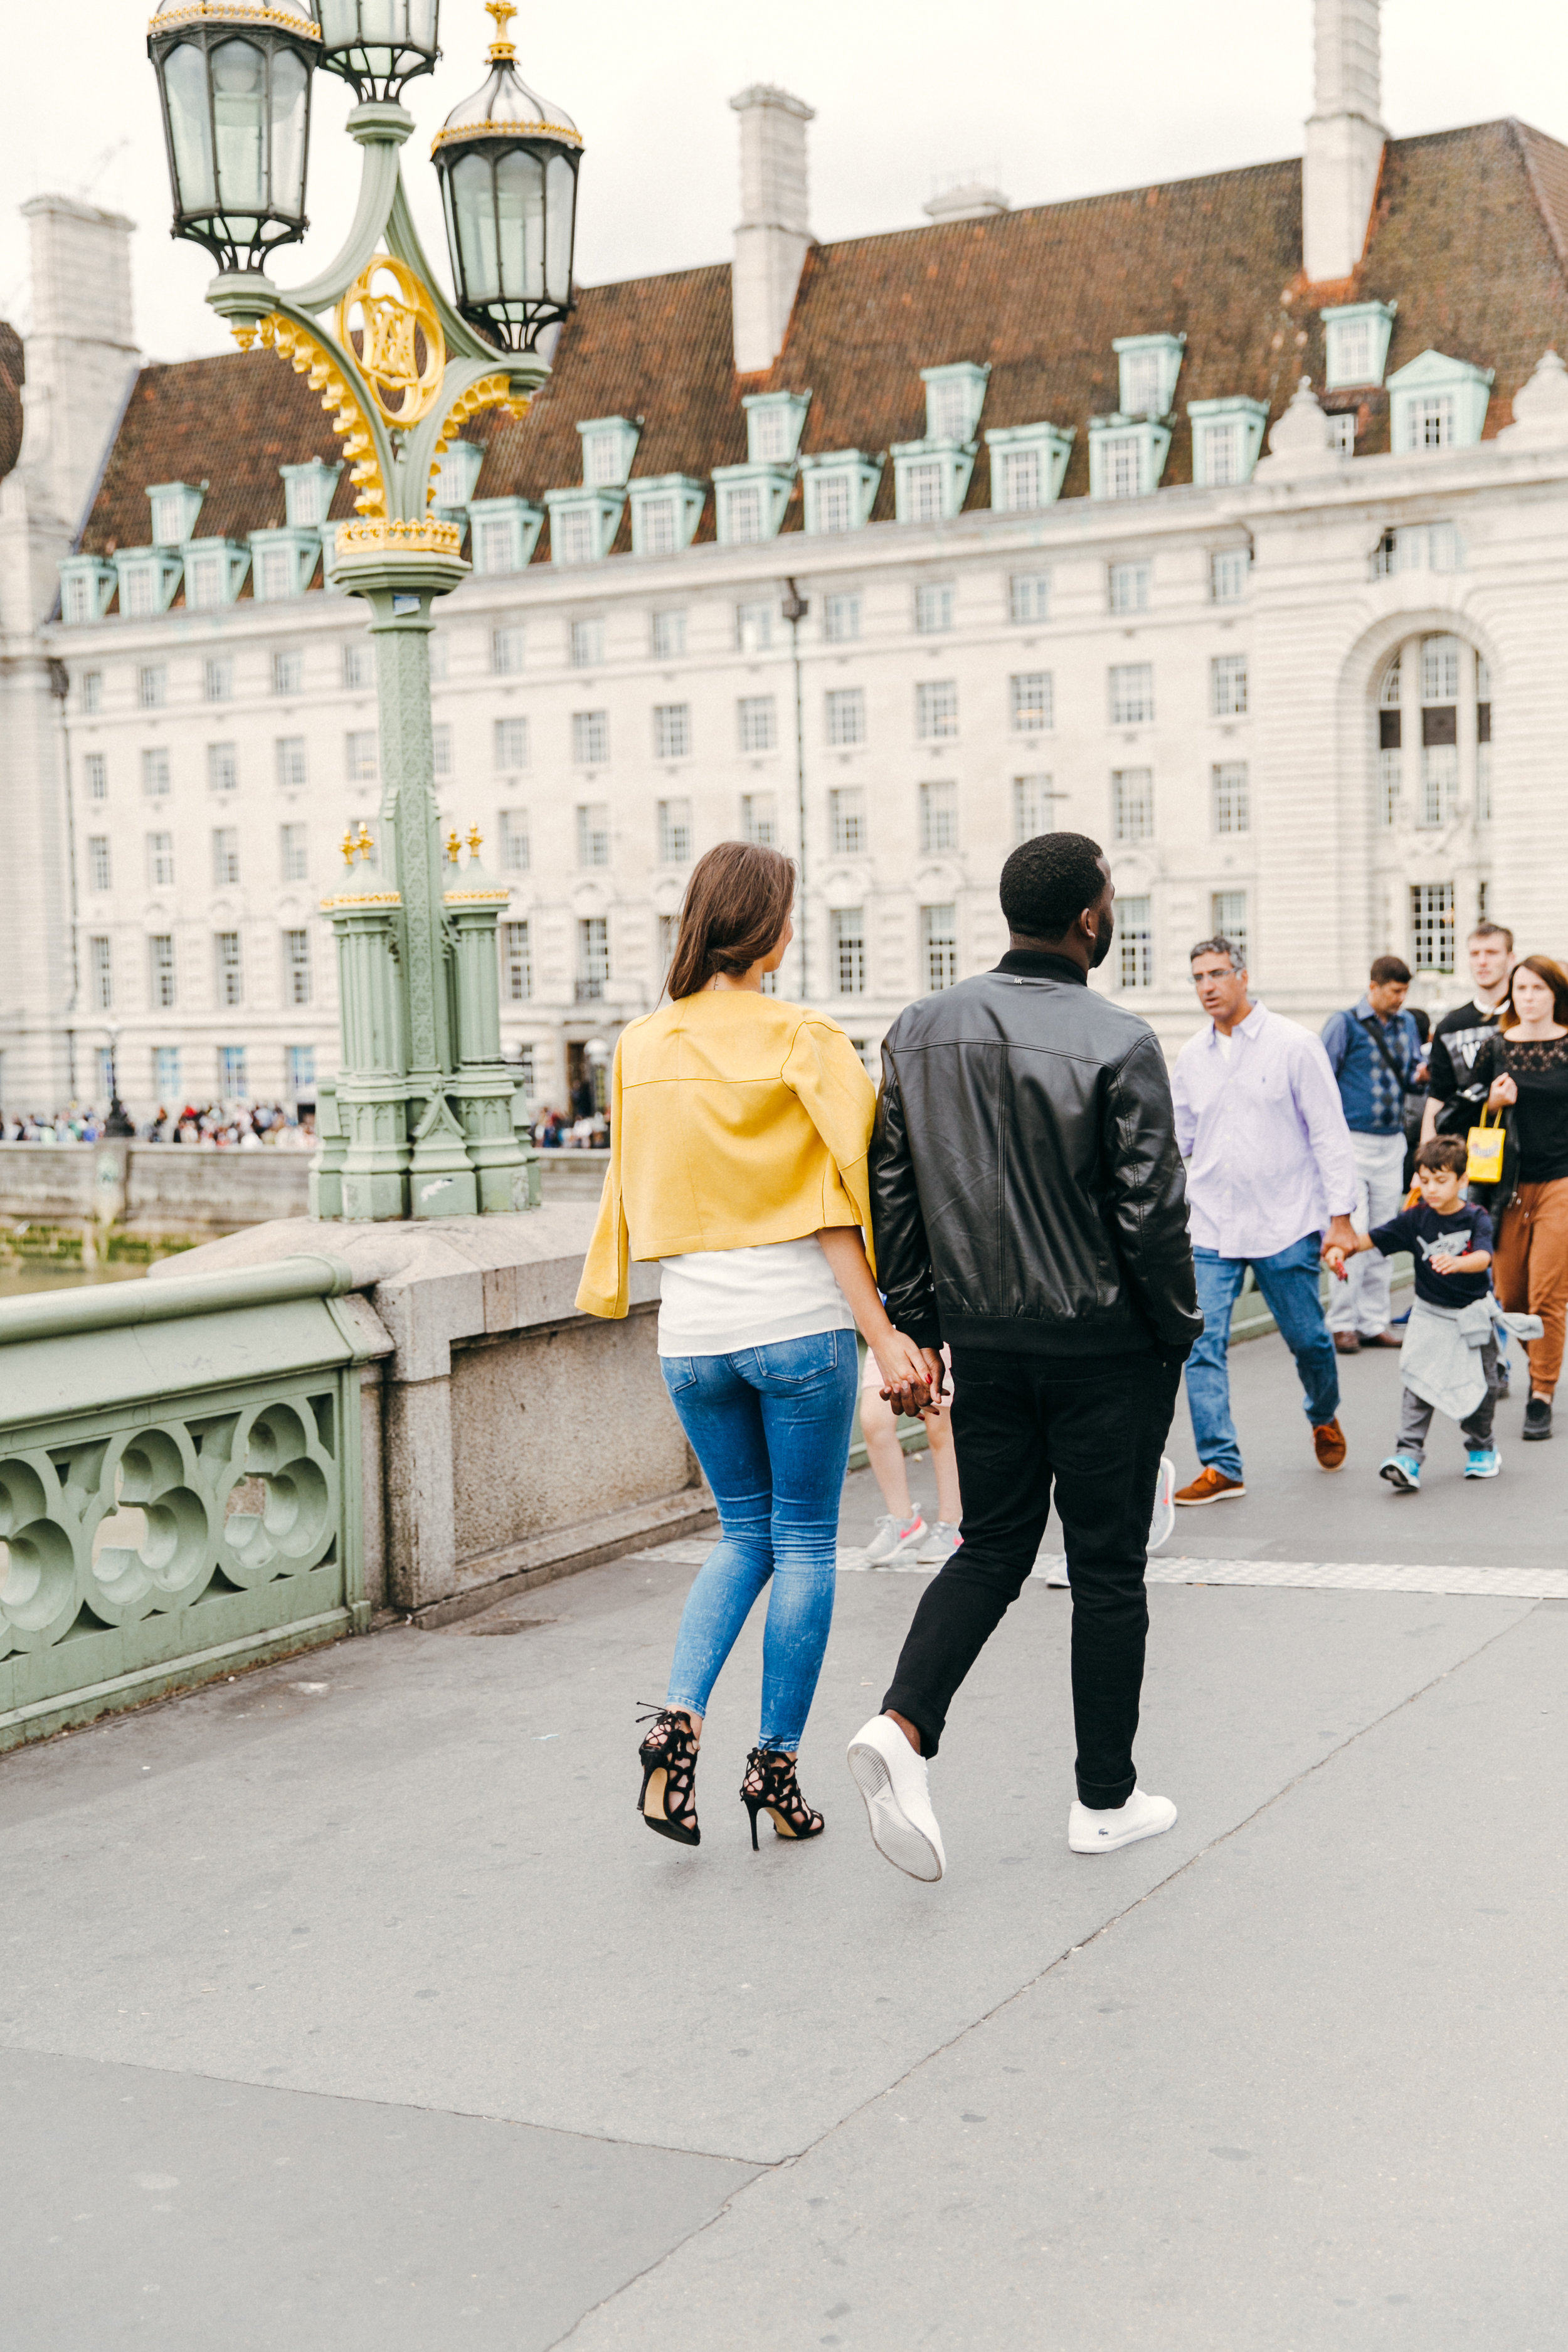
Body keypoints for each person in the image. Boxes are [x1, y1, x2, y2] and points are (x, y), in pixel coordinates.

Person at [845, 832, 1201, 1883]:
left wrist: (922, 1325)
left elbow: (894, 1191)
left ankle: (904, 1727)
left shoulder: (918, 1030)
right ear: (1091, 918)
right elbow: (1150, 1214)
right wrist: (1173, 1333)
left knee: (992, 1547)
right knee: (1106, 1571)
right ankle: (1104, 1799)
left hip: (986, 1340)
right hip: (1103, 1344)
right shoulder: (1122, 1039)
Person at [576, 840, 933, 1853]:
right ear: (770, 930)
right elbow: (858, 1193)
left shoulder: (642, 1046)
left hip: (690, 1332)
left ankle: (677, 1723)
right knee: (806, 1542)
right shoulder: (805, 1036)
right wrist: (897, 1328)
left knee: (741, 1536)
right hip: (797, 1326)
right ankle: (774, 1767)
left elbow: (625, 1190)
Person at [1171, 937, 1359, 1504]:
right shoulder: (1189, 1058)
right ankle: (1221, 1464)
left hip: (1285, 1221)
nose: (1207, 986)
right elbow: (1178, 1142)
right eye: (1198, 976)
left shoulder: (1295, 1046)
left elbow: (1330, 1133)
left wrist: (1341, 1219)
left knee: (1308, 1340)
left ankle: (1323, 1413)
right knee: (1201, 1344)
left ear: (1244, 976)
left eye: (1217, 974)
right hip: (1210, 1227)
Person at [1327, 1136, 1500, 1488]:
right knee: (1418, 1383)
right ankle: (1408, 1456)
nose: (1432, 1189)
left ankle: (1482, 1448)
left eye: (1441, 1180)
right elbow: (1369, 1240)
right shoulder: (1415, 1219)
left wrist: (1459, 1262)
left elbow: (1484, 1257)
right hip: (1430, 1318)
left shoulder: (1476, 1217)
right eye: (1425, 1180)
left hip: (1473, 1318)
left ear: (1462, 1181)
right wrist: (1339, 1252)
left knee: (1483, 1386)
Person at [1470, 954, 1568, 1440]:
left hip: (1561, 1182)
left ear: (1556, 994)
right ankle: (1544, 1361)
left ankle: (1542, 1393)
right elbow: (1460, 1113)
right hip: (1506, 1187)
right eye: (1522, 989)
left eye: (1538, 989)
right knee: (1512, 1296)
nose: (1528, 998)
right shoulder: (1495, 1048)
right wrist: (1492, 1101)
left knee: (1549, 1293)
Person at [1320, 956, 1425, 1353]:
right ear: (1374, 986)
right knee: (1353, 1232)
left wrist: (1423, 1073)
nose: (1401, 999)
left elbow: (1414, 1068)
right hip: (1351, 1141)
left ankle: (1374, 1320)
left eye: (1404, 992)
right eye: (1395, 991)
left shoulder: (1408, 1024)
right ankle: (1343, 1322)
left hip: (1392, 1141)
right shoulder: (1344, 1023)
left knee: (1383, 1235)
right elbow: (1322, 1078)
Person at [855, 1338, 961, 1566]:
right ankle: (902, 1519)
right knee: (874, 1420)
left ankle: (952, 1524)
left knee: (939, 1427)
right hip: (890, 1330)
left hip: (938, 1328)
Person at [1421, 920, 1516, 1143]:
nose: (1482, 962)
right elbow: (1438, 1095)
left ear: (1511, 959)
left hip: (1533, 1150)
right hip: (1470, 1146)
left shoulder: (1527, 1017)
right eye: (1475, 954)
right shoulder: (1450, 1026)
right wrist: (1425, 1160)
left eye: (1492, 953)